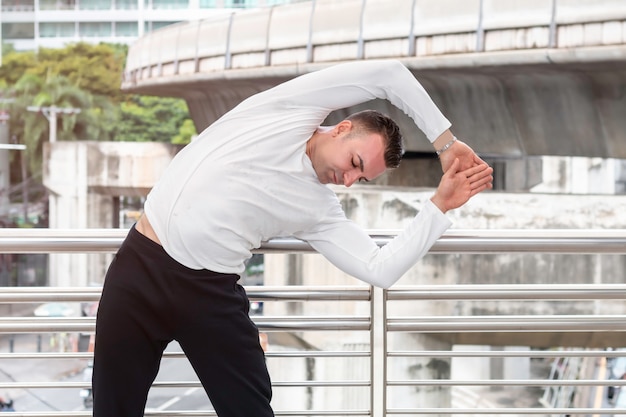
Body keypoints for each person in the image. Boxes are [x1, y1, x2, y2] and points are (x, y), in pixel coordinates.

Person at [92, 59, 493, 417]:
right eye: (355, 163)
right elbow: (388, 75)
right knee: (113, 410)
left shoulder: (319, 208)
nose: (350, 180)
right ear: (342, 128)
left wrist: (439, 205)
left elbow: (380, 268)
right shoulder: (288, 109)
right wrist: (445, 142)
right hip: (137, 272)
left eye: (362, 178)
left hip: (207, 296)